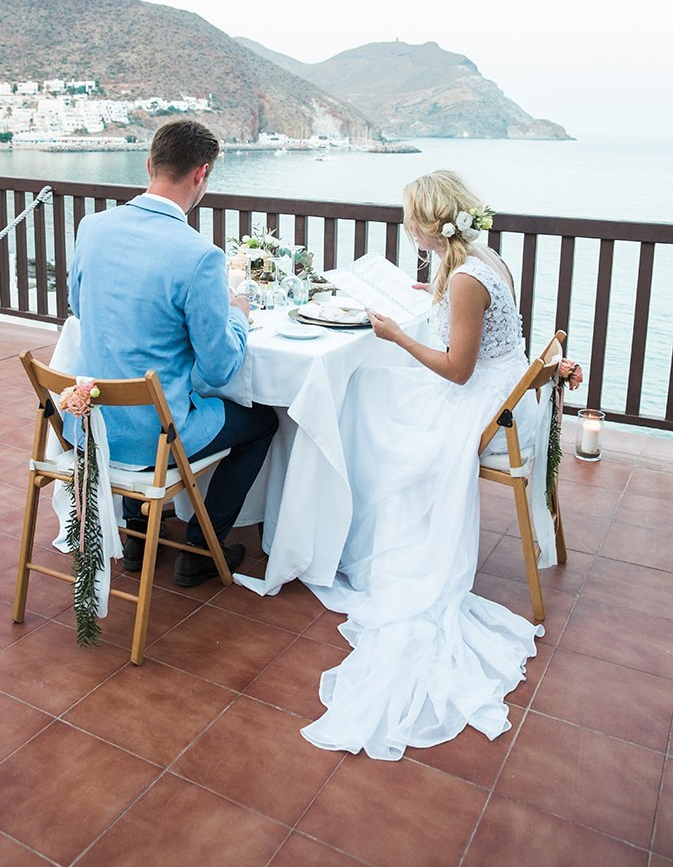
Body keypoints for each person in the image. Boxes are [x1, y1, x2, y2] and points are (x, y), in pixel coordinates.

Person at [301, 169, 544, 758]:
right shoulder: (483, 257)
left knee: (370, 413)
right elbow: (472, 328)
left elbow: (458, 369)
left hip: (485, 407)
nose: (404, 225)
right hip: (508, 390)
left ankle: (346, 525)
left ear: (429, 223)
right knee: (372, 397)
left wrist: (397, 337)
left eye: (409, 216)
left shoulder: (464, 278)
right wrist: (422, 303)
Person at [67, 118, 278, 586]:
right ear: (202, 174)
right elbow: (221, 367)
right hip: (152, 440)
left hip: (87, 426)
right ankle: (203, 548)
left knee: (131, 376)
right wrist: (236, 315)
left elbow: (78, 308)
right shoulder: (199, 255)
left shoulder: (92, 227)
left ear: (149, 165)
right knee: (264, 422)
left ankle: (140, 535)